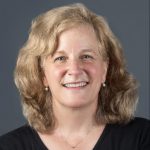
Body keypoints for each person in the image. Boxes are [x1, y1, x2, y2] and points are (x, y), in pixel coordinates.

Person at [0, 3, 149, 150]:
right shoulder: (8, 146)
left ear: (105, 69)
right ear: (42, 74)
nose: (75, 70)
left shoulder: (143, 138)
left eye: (86, 56)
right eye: (60, 58)